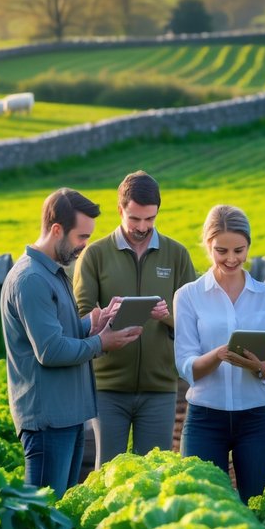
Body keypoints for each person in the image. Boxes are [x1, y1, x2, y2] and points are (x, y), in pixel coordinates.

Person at [0, 188, 142, 496]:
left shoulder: (51, 273)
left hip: (67, 415)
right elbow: (50, 351)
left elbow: (59, 333)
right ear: (56, 230)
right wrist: (101, 343)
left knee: (59, 511)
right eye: (81, 237)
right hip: (48, 419)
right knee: (43, 516)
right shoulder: (32, 280)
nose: (84, 246)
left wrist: (93, 323)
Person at [74, 170, 198, 465]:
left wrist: (167, 316)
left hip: (160, 388)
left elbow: (195, 321)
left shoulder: (177, 255)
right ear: (120, 210)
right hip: (107, 388)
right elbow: (79, 317)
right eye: (135, 219)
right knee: (107, 474)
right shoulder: (94, 255)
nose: (142, 227)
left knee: (153, 475)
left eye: (150, 219)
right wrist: (104, 318)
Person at [174, 204, 265, 503]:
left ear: (249, 245)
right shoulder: (188, 296)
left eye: (239, 250)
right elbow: (186, 365)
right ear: (207, 245)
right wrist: (219, 355)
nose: (231, 258)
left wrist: (261, 366)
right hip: (204, 419)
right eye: (221, 250)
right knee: (204, 504)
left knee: (257, 503)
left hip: (255, 419)